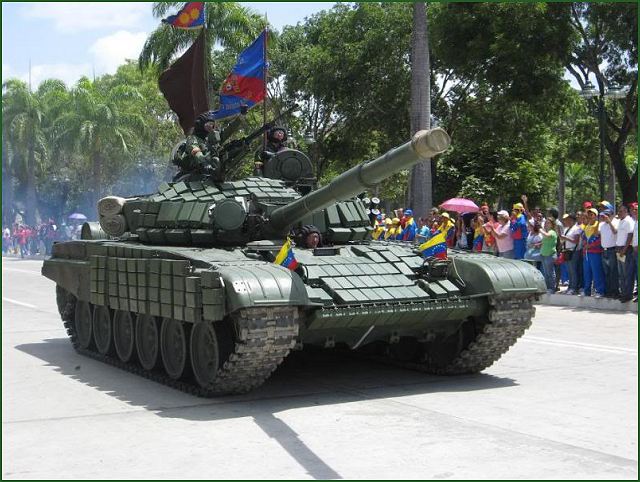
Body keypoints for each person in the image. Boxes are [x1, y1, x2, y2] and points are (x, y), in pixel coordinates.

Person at [581, 208, 605, 298]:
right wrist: (584, 243)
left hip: (595, 253)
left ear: (595, 216)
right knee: (586, 272)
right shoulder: (586, 226)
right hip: (586, 253)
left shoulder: (598, 225)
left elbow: (599, 239)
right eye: (588, 214)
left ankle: (600, 291)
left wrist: (590, 245)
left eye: (592, 214)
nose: (590, 216)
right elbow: (584, 237)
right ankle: (586, 291)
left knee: (597, 272)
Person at [615, 204, 635, 302]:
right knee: (621, 274)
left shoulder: (628, 221)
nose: (619, 213)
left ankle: (628, 294)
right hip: (619, 249)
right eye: (619, 211)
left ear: (626, 211)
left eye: (621, 211)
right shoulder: (620, 221)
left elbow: (630, 235)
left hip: (625, 250)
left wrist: (624, 249)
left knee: (627, 273)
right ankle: (623, 292)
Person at [598, 209, 619, 298]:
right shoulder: (601, 225)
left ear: (611, 215)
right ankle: (608, 291)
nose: (604, 217)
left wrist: (609, 222)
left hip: (612, 250)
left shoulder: (615, 222)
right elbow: (597, 234)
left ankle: (615, 291)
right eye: (603, 215)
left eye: (606, 215)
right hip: (604, 250)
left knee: (613, 272)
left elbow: (615, 232)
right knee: (606, 272)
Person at [559, 214, 582, 295]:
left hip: (574, 251)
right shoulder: (566, 229)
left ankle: (574, 288)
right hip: (567, 251)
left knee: (573, 270)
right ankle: (570, 287)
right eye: (565, 220)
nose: (566, 221)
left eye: (568, 219)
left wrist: (565, 238)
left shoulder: (577, 228)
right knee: (569, 271)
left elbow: (576, 241)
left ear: (572, 220)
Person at [539, 218, 558, 294]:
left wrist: (540, 229)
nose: (546, 224)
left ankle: (552, 288)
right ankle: (547, 287)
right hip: (544, 254)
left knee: (550, 273)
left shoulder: (552, 232)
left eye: (548, 223)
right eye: (546, 222)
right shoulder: (545, 231)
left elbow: (547, 236)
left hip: (550, 255)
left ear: (552, 224)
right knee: (546, 273)